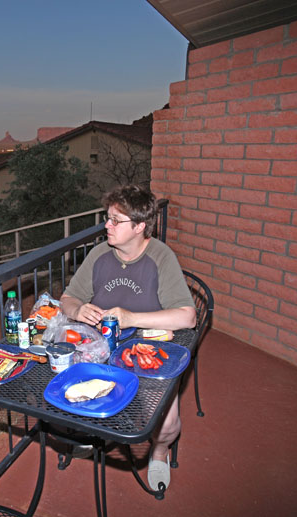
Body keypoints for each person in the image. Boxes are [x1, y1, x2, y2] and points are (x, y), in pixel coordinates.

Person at [60, 184, 196, 491]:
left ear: (139, 227)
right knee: (64, 394)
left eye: (115, 221)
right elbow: (67, 299)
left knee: (167, 423)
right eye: (107, 218)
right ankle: (93, 433)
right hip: (99, 350)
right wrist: (79, 310)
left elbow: (187, 316)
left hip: (147, 354)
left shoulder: (161, 257)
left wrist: (132, 317)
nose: (106, 225)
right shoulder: (98, 255)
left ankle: (159, 453)